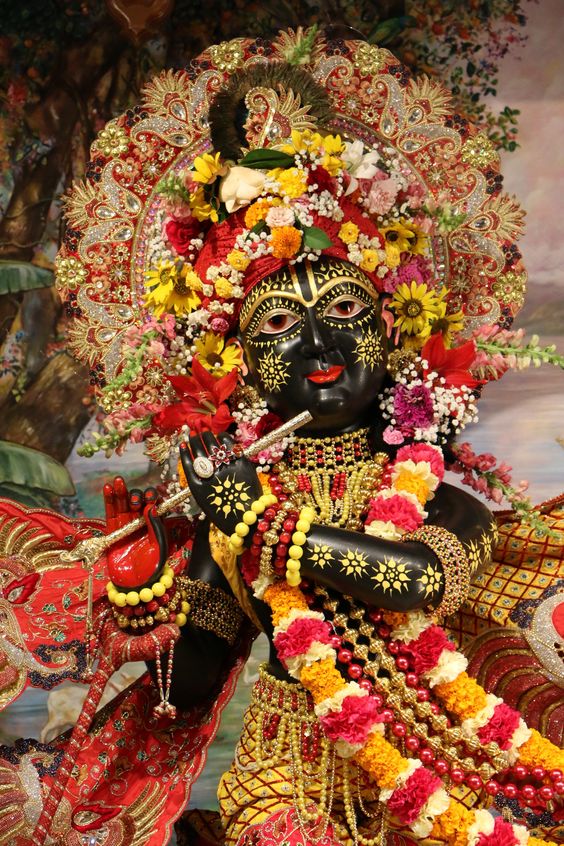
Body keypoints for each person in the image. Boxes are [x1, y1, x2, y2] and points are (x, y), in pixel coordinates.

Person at [0, 27, 562, 846]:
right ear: (242, 366)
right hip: (286, 770)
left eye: (344, 310)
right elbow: (188, 689)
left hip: (448, 754)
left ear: (393, 333)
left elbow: (414, 580)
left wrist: (261, 524)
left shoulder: (430, 496)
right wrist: (144, 597)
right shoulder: (232, 510)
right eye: (277, 325)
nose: (316, 343)